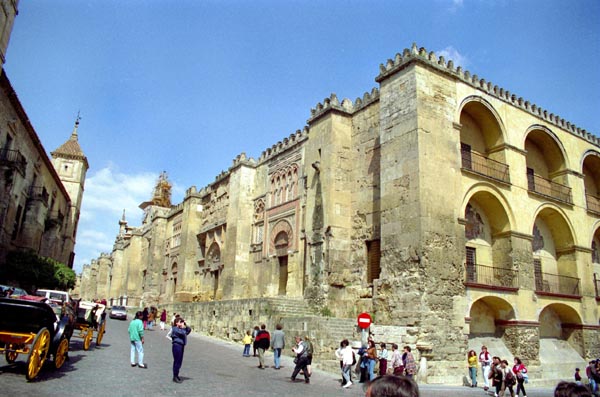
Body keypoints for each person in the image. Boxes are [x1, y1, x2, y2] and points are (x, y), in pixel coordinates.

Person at [171, 317, 191, 383]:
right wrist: (182, 327)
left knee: (179, 361)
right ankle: (175, 376)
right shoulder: (175, 329)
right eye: (180, 322)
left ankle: (176, 375)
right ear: (176, 323)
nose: (181, 323)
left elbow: (188, 330)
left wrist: (185, 324)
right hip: (177, 346)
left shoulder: (181, 329)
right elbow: (183, 333)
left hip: (181, 346)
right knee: (177, 361)